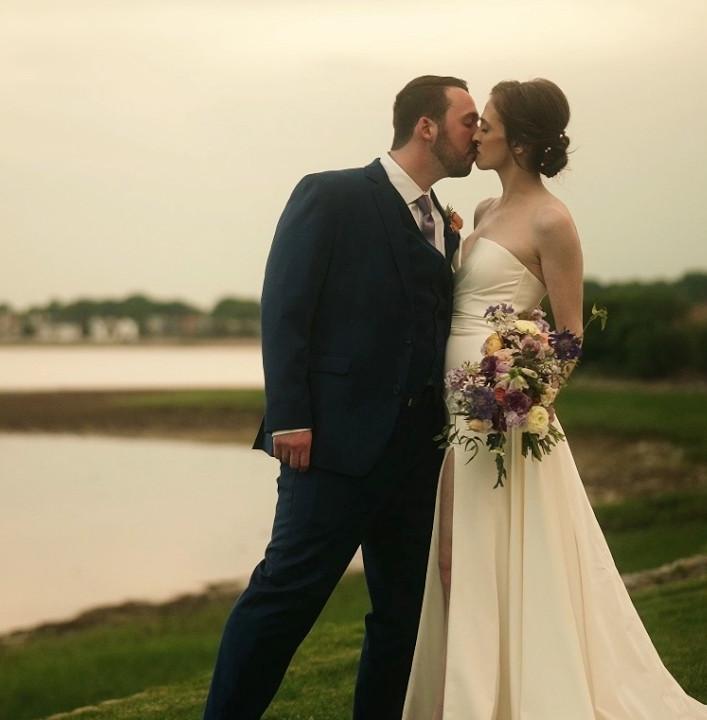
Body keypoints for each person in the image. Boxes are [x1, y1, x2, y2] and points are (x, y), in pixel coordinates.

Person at [401, 79, 707, 719]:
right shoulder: (481, 210)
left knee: (498, 562)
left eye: (488, 124)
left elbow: (568, 337)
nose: (476, 134)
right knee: (455, 560)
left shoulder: (552, 221)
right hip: (459, 415)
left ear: (520, 141)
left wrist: (518, 399)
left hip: (503, 421)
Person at [202, 75, 481, 720]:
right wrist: (289, 418)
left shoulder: (443, 221)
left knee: (403, 615)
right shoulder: (331, 194)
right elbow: (285, 308)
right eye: (468, 120)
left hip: (418, 453)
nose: (478, 133)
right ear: (426, 126)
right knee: (285, 597)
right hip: (330, 444)